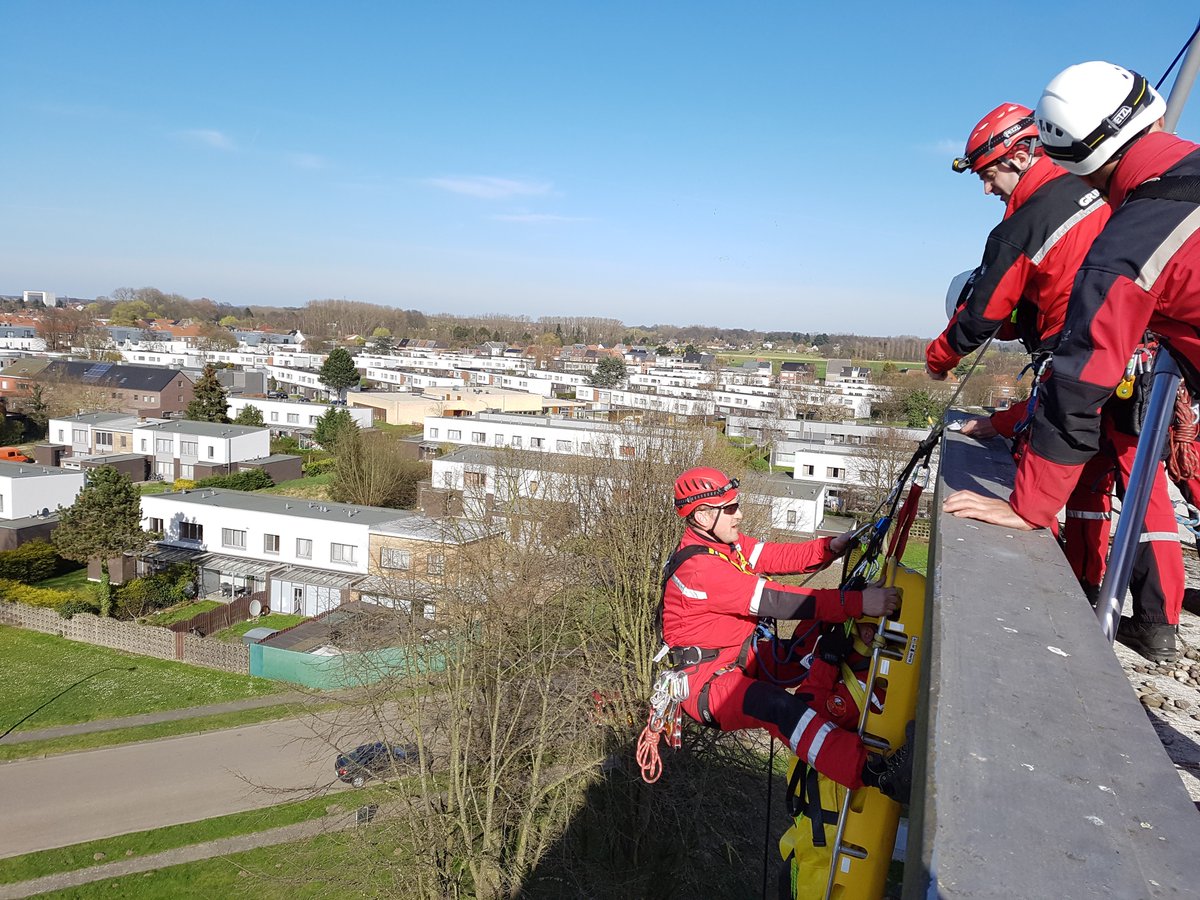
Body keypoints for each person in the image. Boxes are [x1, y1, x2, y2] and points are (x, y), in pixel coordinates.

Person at [944, 62, 1196, 661]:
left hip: (1133, 374)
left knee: (1135, 482)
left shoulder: (1128, 244)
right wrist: (1004, 423)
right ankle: (1134, 604)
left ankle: (1154, 615)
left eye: (988, 174)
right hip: (1149, 368)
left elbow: (1078, 380)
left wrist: (1029, 506)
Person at [931, 102, 1120, 599]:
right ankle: (1148, 617)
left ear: (1018, 154)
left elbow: (979, 319)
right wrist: (997, 422)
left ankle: (1133, 609)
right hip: (1142, 351)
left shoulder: (1025, 224)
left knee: (1098, 468)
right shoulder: (1096, 186)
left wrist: (939, 359)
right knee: (1121, 477)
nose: (988, 189)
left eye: (989, 175)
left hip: (1096, 353)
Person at [661, 466, 912, 801]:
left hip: (739, 657)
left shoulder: (726, 548)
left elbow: (775, 555)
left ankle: (869, 691)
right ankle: (878, 774)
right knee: (778, 708)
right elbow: (778, 601)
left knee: (818, 642)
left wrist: (830, 548)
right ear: (703, 516)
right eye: (731, 508)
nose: (740, 514)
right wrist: (858, 601)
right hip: (708, 684)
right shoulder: (700, 570)